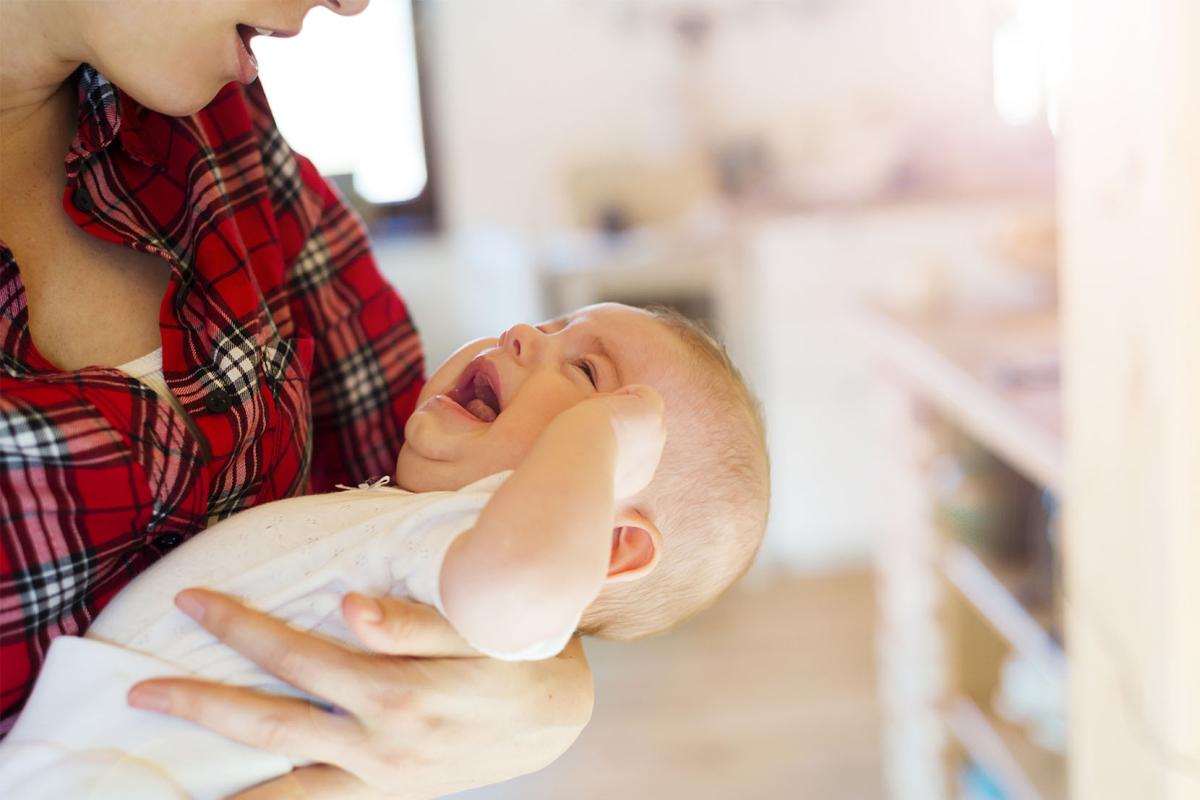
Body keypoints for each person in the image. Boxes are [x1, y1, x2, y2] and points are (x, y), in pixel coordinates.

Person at [0, 1, 593, 796]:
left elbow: (425, 486)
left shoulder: (218, 130)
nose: (354, 3)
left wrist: (554, 690)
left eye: (590, 369)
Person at [0, 302, 771, 798]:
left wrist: (591, 436)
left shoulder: (471, 548)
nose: (523, 333)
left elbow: (521, 586)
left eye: (587, 371)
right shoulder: (411, 523)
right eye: (553, 322)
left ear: (610, 547)